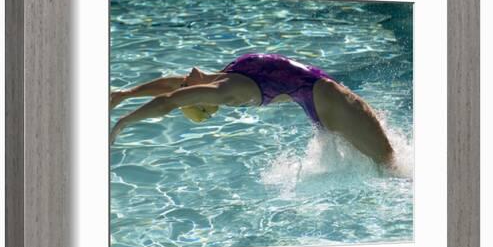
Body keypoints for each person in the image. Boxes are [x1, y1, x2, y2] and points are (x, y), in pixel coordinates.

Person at [110, 53, 394, 166]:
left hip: (322, 100)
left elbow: (170, 90)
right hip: (329, 100)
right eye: (188, 90)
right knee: (389, 165)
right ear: (202, 100)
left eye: (186, 83)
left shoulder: (221, 76)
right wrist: (123, 124)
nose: (184, 81)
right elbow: (171, 100)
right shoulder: (225, 92)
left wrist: (125, 94)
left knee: (383, 162)